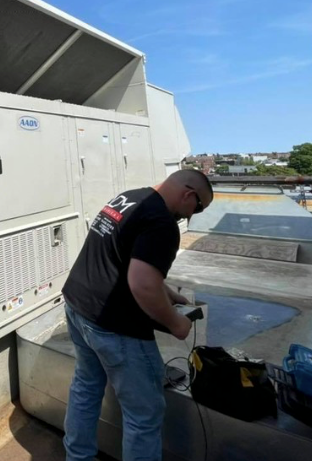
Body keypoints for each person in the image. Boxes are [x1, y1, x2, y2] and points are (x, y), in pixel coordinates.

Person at [61, 170, 214, 461]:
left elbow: (120, 254)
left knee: (86, 387)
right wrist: (176, 322)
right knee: (144, 414)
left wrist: (165, 292)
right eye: (198, 207)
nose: (191, 215)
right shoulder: (162, 222)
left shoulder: (129, 197)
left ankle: (77, 457)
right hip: (115, 327)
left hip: (78, 306)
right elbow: (141, 284)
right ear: (188, 195)